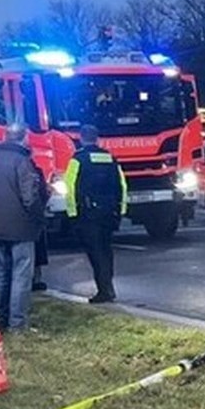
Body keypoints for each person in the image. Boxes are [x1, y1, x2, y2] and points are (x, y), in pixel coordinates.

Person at [0, 122, 47, 331]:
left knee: (1, 275)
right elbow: (29, 197)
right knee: (21, 275)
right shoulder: (22, 161)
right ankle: (17, 324)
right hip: (20, 227)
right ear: (23, 137)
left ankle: (1, 320)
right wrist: (39, 217)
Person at [64, 124, 127, 303]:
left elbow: (70, 187)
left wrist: (72, 214)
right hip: (109, 211)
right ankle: (108, 286)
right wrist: (120, 211)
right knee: (106, 250)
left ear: (81, 138)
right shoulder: (110, 158)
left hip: (88, 214)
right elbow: (121, 186)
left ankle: (104, 290)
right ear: (97, 138)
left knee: (95, 251)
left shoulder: (78, 159)